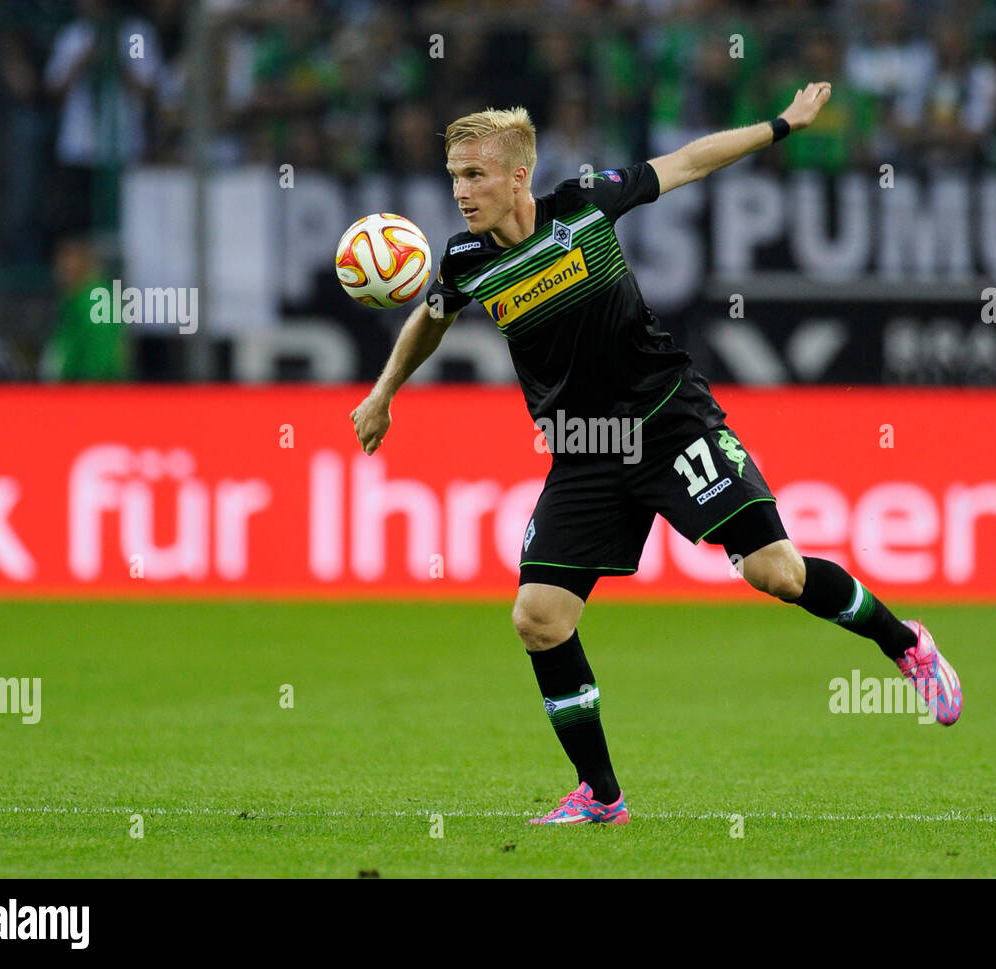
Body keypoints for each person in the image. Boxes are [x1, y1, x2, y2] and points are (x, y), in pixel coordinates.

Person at [349, 84, 962, 827]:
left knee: (779, 572)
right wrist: (384, 393)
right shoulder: (466, 259)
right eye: (453, 177)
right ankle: (601, 796)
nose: (460, 191)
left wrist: (779, 125)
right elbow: (432, 315)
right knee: (538, 617)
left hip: (670, 420)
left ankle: (907, 644)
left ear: (518, 175)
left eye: (474, 175)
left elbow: (689, 162)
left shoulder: (584, 205)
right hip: (583, 451)